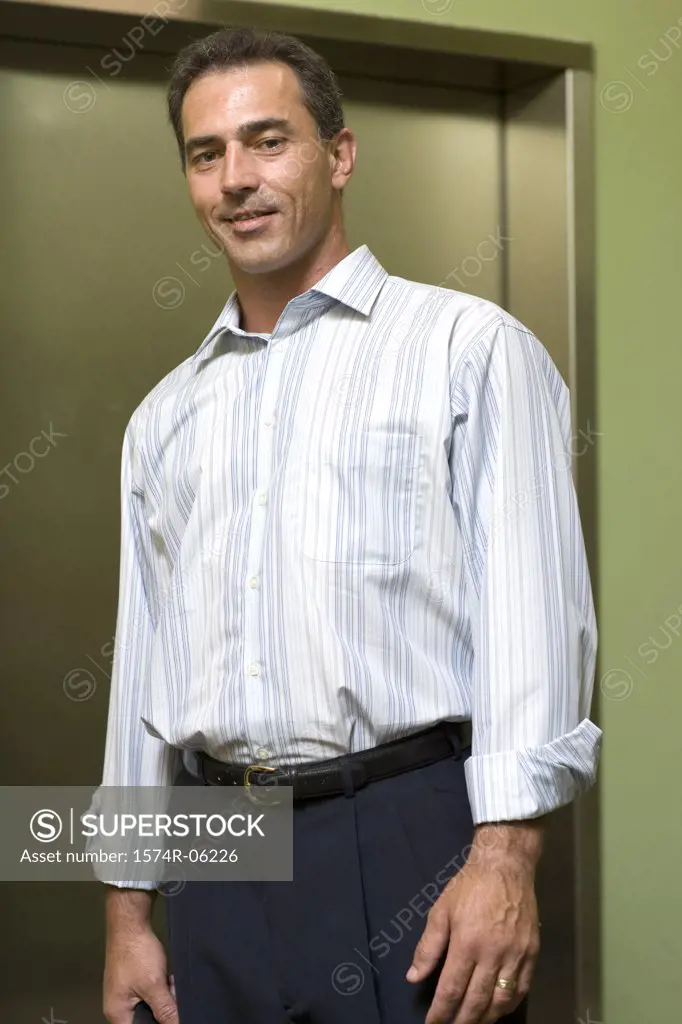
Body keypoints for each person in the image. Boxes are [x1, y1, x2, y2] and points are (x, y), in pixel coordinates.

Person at [93, 25, 602, 1024]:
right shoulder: (162, 418)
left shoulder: (467, 350)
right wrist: (126, 912)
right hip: (214, 848)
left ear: (339, 153)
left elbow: (531, 621)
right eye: (207, 154)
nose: (236, 177)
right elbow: (143, 675)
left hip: (409, 834)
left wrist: (506, 853)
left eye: (268, 140)